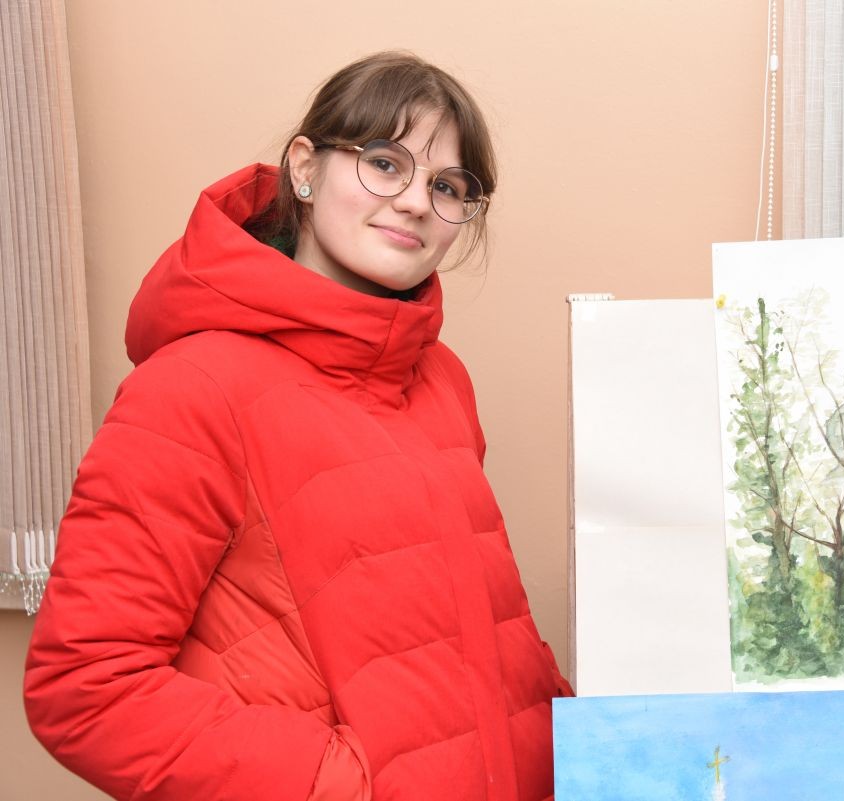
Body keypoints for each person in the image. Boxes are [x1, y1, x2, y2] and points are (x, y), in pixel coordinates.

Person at [24, 51, 572, 801]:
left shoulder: (441, 378)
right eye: (386, 164)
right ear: (306, 169)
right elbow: (85, 687)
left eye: (447, 186)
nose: (417, 202)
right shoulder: (191, 388)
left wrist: (574, 748)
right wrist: (351, 785)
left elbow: (470, 630)